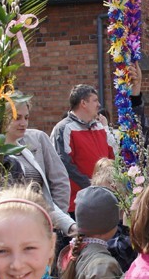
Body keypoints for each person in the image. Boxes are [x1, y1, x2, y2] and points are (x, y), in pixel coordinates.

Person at [51, 64, 143, 213]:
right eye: (95, 100)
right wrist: (92, 187)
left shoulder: (100, 127)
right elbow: (64, 165)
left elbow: (114, 155)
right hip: (77, 203)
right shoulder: (63, 128)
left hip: (104, 200)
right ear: (83, 103)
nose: (99, 105)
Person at [5, 94, 76, 238]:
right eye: (17, 118)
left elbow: (45, 198)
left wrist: (67, 224)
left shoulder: (26, 151)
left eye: (26, 117)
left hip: (41, 225)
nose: (23, 123)